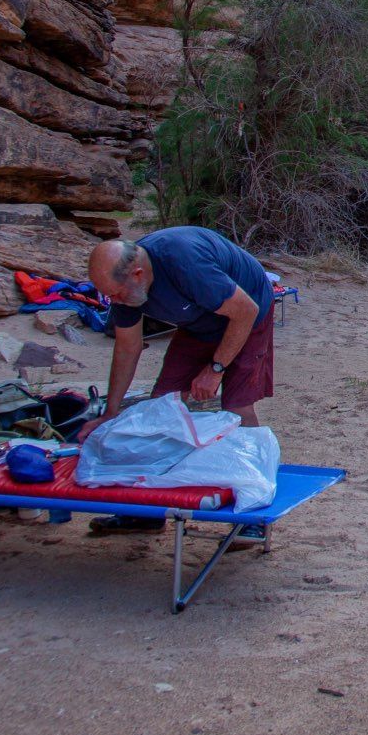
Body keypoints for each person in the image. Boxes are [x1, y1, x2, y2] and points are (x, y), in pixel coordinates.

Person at [81, 227, 276, 537]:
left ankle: (252, 516)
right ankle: (146, 511)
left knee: (237, 404)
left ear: (138, 274)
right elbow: (127, 347)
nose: (112, 300)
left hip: (248, 314)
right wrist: (111, 410)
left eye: (115, 294)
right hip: (200, 323)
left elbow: (245, 310)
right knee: (162, 406)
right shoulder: (124, 288)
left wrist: (215, 369)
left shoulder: (184, 262)